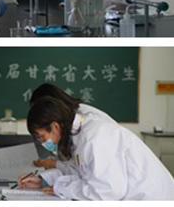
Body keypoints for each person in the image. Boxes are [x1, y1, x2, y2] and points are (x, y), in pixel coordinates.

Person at [18, 96, 174, 200]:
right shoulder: (78, 136)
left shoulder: (94, 136)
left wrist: (62, 188)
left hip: (151, 199)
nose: (42, 142)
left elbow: (108, 191)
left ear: (55, 126)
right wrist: (44, 181)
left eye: (41, 136)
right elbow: (77, 171)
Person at [29, 84, 113, 170]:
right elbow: (74, 168)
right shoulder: (69, 126)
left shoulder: (86, 124)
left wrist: (55, 165)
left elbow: (91, 172)